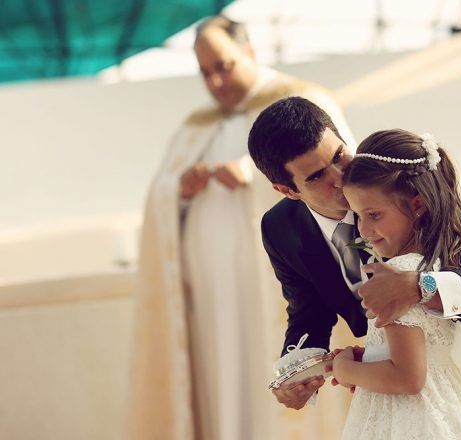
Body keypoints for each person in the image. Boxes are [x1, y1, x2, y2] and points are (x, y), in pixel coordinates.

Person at [129, 16, 354, 440]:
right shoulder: (195, 126)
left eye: (224, 66)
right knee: (224, 380)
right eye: (205, 72)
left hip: (271, 290)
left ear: (249, 52)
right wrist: (178, 189)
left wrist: (250, 176)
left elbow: (345, 187)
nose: (215, 82)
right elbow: (158, 194)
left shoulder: (303, 102)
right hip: (214, 301)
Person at [248, 97, 461, 420]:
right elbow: (308, 313)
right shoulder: (280, 229)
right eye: (316, 176)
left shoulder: (404, 183)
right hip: (409, 399)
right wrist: (295, 373)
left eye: (339, 156)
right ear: (288, 190)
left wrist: (420, 286)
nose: (340, 177)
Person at [334, 128, 461, 439]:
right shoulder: (419, 261)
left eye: (374, 215)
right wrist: (371, 358)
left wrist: (344, 370)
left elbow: (408, 378)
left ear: (418, 205)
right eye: (358, 216)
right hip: (449, 406)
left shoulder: (396, 274)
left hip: (430, 412)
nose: (363, 230)